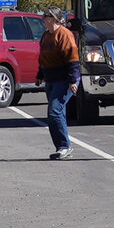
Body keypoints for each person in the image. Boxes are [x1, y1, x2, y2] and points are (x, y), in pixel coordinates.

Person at [38, 10, 80, 160]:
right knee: (56, 113)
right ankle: (61, 147)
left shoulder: (64, 34)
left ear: (55, 19)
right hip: (50, 79)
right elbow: (42, 57)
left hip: (65, 79)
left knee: (55, 111)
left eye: (46, 16)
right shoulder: (46, 35)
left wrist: (73, 80)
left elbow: (73, 58)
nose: (43, 18)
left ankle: (65, 146)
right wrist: (40, 75)